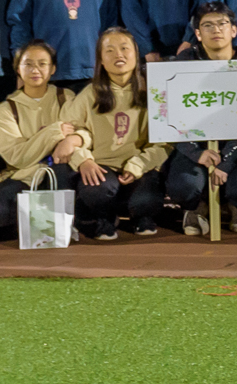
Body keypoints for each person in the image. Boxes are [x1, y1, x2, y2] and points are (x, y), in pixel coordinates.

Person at [159, 5, 237, 234]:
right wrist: (196, 153)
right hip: (196, 146)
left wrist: (226, 161)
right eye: (208, 25)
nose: (216, 30)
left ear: (234, 30)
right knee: (182, 188)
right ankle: (197, 207)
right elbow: (167, 118)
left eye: (222, 24)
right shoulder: (181, 64)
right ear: (198, 34)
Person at [63, 27, 170, 238]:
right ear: (101, 60)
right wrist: (83, 160)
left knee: (147, 199)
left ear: (136, 54)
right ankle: (103, 216)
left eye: (124, 48)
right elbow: (70, 132)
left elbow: (165, 142)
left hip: (140, 164)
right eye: (109, 50)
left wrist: (139, 164)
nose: (118, 55)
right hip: (101, 165)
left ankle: (141, 215)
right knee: (96, 190)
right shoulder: (89, 93)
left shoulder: (154, 91)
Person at [0, 39, 83, 241]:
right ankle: (35, 227)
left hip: (61, 169)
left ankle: (66, 225)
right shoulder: (7, 108)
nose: (35, 70)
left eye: (42, 64)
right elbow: (16, 156)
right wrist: (54, 132)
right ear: (18, 69)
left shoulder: (65, 97)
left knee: (64, 171)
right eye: (28, 64)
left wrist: (70, 140)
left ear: (53, 69)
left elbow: (80, 135)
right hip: (25, 174)